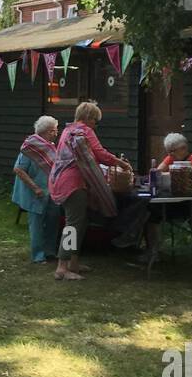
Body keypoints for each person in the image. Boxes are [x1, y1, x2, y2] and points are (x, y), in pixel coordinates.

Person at [48, 101, 131, 282]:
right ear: (87, 118)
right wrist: (120, 163)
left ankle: (74, 263)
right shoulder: (84, 130)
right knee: (73, 225)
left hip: (60, 180)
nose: (96, 124)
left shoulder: (68, 130)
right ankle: (62, 266)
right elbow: (100, 154)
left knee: (81, 222)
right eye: (95, 120)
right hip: (73, 184)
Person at [13, 115, 62, 263]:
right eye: (54, 130)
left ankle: (50, 252)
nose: (56, 133)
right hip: (36, 192)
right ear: (46, 131)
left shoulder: (50, 147)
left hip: (51, 190)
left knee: (53, 220)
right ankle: (38, 255)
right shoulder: (30, 147)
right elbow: (18, 170)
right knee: (37, 224)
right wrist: (35, 188)